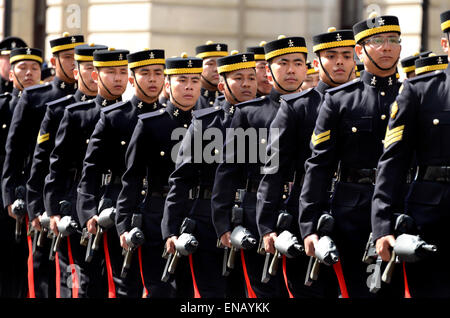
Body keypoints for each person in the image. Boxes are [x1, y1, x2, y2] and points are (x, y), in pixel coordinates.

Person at [299, 12, 405, 298]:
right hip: (351, 212)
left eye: (393, 40)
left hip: (403, 205)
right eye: (378, 41)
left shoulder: (412, 95)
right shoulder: (339, 100)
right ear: (360, 51)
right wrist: (309, 224)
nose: (386, 47)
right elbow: (319, 165)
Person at [256, 26, 356, 298]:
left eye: (346, 56)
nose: (339, 62)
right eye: (331, 56)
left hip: (355, 211)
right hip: (304, 212)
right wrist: (267, 226)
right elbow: (273, 170)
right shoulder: (298, 106)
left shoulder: (362, 101)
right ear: (317, 62)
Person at [211, 35, 307, 298]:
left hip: (303, 209)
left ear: (307, 68)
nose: (290, 70)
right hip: (257, 211)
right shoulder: (250, 113)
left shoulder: (320, 108)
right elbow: (228, 170)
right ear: (267, 69)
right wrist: (222, 223)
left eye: (297, 63)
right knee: (262, 292)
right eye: (283, 63)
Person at [163, 51, 257, 298]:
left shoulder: (268, 120)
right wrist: (170, 229)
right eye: (238, 78)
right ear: (221, 85)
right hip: (206, 222)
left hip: (251, 218)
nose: (246, 84)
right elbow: (181, 179)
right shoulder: (206, 123)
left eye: (251, 77)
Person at [371, 9, 450, 298]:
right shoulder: (420, 92)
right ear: (445, 45)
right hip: (431, 215)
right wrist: (381, 225)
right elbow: (392, 162)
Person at [76, 48, 165, 297]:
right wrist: (88, 212)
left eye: (158, 73)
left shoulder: (171, 118)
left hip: (160, 209)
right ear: (133, 79)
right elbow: (90, 169)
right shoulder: (114, 117)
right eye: (145, 73)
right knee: (124, 286)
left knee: (160, 286)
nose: (153, 80)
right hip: (118, 205)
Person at [1, 32, 84, 298]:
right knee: (40, 264)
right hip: (37, 188)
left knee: (74, 271)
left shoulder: (89, 100)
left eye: (77, 58)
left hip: (75, 191)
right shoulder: (36, 97)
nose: (74, 64)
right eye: (68, 58)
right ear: (54, 60)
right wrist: (10, 195)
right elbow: (13, 152)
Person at [117, 52, 202, 297]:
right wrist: (124, 224)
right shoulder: (150, 124)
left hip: (195, 213)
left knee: (191, 290)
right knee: (160, 288)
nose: (188, 87)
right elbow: (131, 177)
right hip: (156, 213)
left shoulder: (209, 124)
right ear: (168, 85)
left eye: (195, 81)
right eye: (181, 80)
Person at [0, 47, 42, 298]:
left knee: (33, 260)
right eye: (22, 68)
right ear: (11, 73)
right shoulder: (4, 105)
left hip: (35, 190)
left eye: (34, 68)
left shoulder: (48, 104)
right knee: (6, 259)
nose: (28, 73)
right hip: (6, 192)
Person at [195, 41, 228, 109]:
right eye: (210, 64)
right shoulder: (190, 100)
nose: (217, 69)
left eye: (220, 64)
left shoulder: (232, 99)